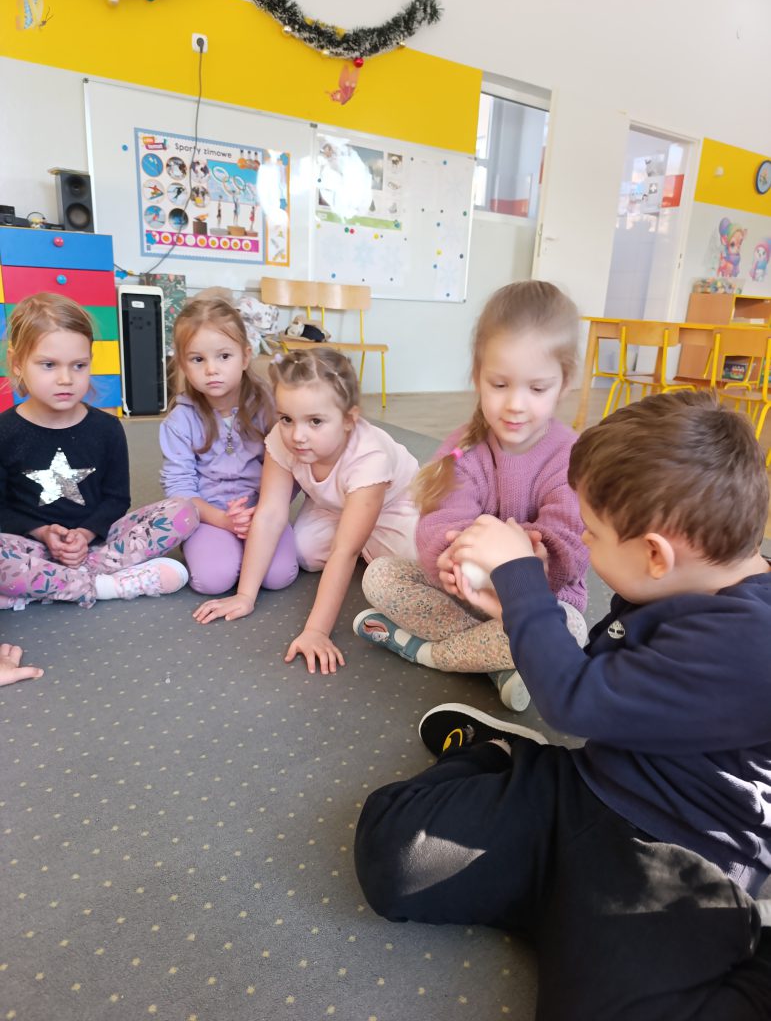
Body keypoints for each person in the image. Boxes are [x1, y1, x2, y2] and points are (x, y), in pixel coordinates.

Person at [354, 391, 771, 1020]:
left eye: (592, 535)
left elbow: (575, 699)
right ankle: (503, 753)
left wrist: (522, 580)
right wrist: (518, 608)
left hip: (681, 850)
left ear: (656, 554)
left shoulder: (751, 641)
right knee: (393, 855)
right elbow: (596, 674)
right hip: (584, 786)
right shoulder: (682, 580)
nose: (585, 545)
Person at [353, 281, 589, 711]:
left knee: (572, 629)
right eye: (499, 384)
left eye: (537, 389)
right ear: (478, 375)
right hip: (465, 595)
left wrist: (533, 559)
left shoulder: (569, 457)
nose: (515, 404)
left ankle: (429, 653)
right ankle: (498, 662)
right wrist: (447, 560)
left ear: (565, 382)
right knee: (380, 575)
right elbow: (440, 521)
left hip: (537, 603)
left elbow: (570, 541)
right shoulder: (464, 447)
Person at [193, 347, 420, 675]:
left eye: (315, 421)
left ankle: (368, 538)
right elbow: (270, 514)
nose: (297, 436)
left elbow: (344, 551)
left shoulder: (370, 457)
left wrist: (316, 631)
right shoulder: (282, 439)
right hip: (334, 504)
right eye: (286, 418)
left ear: (349, 420)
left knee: (415, 563)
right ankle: (360, 535)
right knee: (304, 554)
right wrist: (245, 595)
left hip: (393, 505)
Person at [0, 293, 197, 609]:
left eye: (79, 365)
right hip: (31, 548)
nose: (66, 379)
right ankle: (104, 585)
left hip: (100, 545)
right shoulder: (5, 431)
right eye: (49, 365)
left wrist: (86, 534)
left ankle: (44, 585)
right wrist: (42, 532)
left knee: (184, 510)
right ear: (17, 363)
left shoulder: (107, 428)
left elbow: (116, 499)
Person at [160, 296, 298, 595]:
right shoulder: (179, 421)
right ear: (182, 364)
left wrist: (264, 512)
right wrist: (222, 520)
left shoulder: (270, 407)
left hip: (264, 512)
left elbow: (291, 467)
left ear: (245, 357)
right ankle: (202, 544)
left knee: (278, 576)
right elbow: (179, 489)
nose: (212, 369)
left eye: (224, 356)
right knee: (213, 581)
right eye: (198, 359)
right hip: (209, 515)